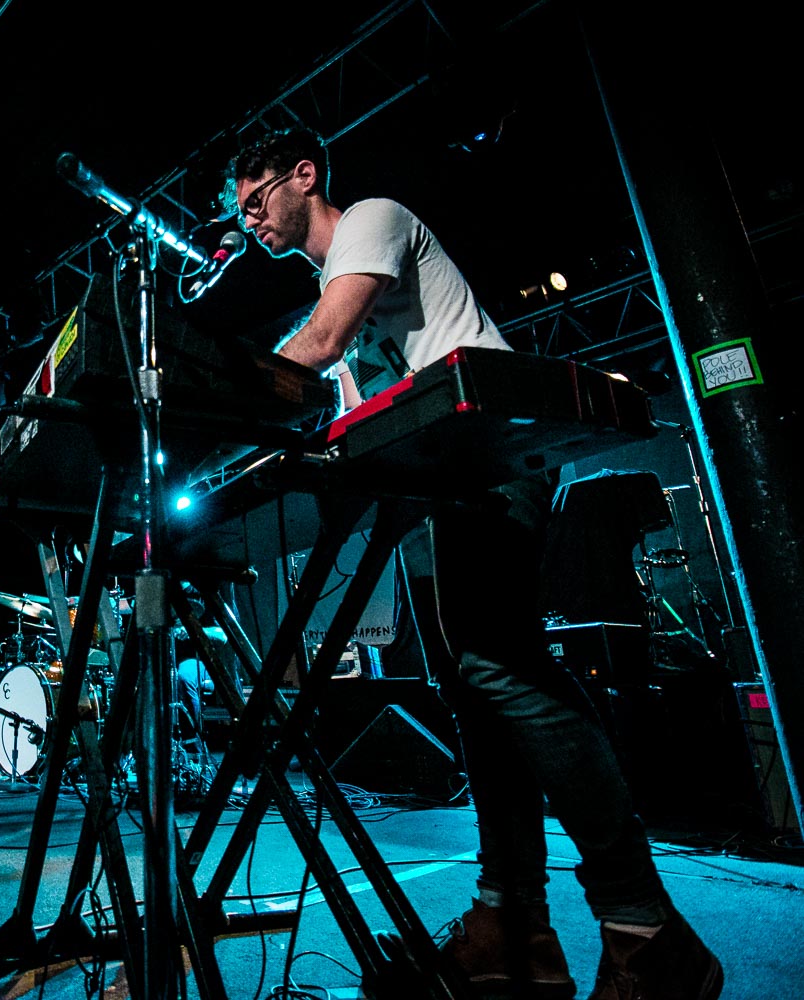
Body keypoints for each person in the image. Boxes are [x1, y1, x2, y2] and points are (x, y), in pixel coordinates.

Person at [225, 127, 722, 1000]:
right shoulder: (330, 272)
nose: (251, 220)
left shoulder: (370, 223)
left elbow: (325, 341)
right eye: (240, 211)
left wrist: (211, 405)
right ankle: (511, 925)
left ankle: (643, 926)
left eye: (257, 197)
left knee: (501, 664)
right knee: (474, 685)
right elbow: (357, 410)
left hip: (492, 459)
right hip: (439, 479)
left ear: (305, 174)